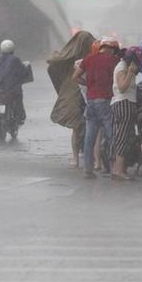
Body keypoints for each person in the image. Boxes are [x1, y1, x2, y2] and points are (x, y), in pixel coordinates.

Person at [72, 36, 119, 179]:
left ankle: (88, 169)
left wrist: (89, 85)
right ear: (111, 49)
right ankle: (114, 167)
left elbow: (75, 77)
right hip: (105, 101)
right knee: (112, 135)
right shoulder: (113, 61)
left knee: (89, 137)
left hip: (91, 101)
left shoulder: (89, 59)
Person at [47, 31, 96, 169]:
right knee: (82, 127)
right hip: (79, 97)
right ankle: (83, 158)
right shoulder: (73, 60)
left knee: (85, 128)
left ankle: (82, 158)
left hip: (88, 96)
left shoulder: (91, 57)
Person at [110, 46, 142, 181]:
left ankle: (118, 168)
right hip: (124, 104)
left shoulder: (122, 66)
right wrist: (130, 72)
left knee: (123, 136)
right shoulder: (123, 67)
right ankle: (118, 171)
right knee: (122, 137)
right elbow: (122, 88)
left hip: (124, 103)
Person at [0, 39, 27, 127]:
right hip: (11, 88)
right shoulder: (15, 60)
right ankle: (19, 117)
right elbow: (22, 72)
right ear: (13, 49)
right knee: (18, 99)